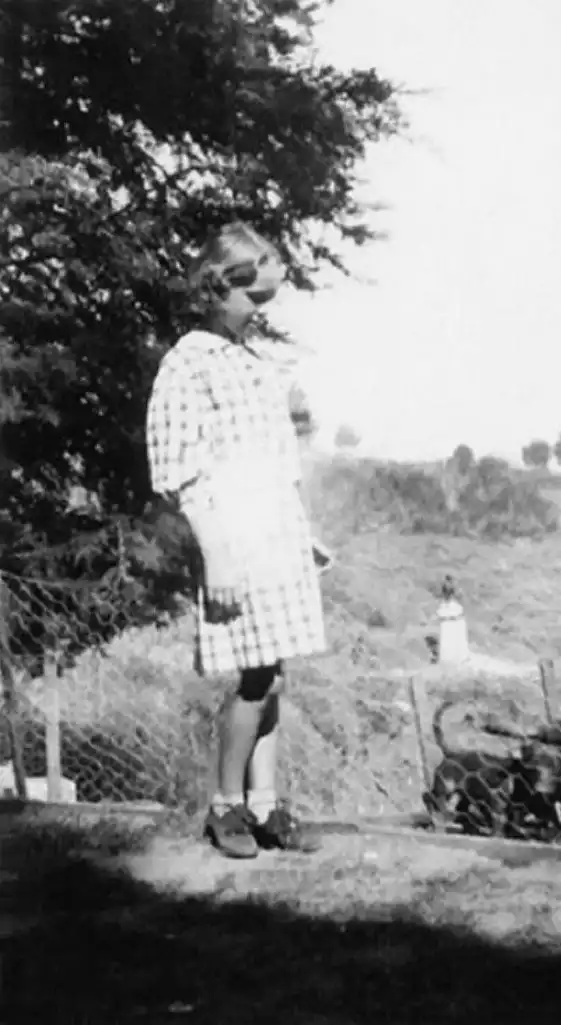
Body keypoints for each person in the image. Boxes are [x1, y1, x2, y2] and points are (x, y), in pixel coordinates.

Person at [145, 221, 328, 859]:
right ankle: (225, 806)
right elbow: (181, 471)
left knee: (272, 675)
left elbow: (274, 461)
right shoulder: (189, 361)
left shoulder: (252, 360)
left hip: (275, 538)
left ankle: (265, 805)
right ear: (218, 287)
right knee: (255, 680)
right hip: (235, 543)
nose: (258, 312)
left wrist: (301, 534)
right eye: (252, 299)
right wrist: (217, 553)